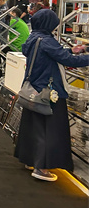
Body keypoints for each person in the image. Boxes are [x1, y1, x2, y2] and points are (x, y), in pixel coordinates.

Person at [15, 10, 89, 182]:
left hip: (33, 90)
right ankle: (42, 167)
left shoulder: (34, 38)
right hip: (49, 93)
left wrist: (71, 50)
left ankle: (30, 159)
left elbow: (53, 54)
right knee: (50, 130)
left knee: (33, 127)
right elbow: (68, 61)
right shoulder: (47, 41)